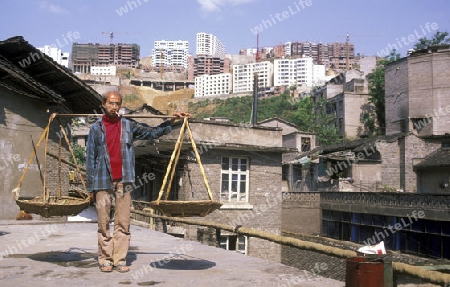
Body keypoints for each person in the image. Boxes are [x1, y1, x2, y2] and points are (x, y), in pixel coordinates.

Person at [85, 91, 189, 272]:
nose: (114, 107)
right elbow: (90, 159)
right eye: (110, 103)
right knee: (103, 223)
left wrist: (171, 121)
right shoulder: (96, 128)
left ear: (120, 106)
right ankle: (105, 258)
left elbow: (152, 132)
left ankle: (120, 258)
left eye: (117, 104)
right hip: (102, 181)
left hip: (124, 181)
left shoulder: (128, 125)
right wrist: (90, 187)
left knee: (123, 222)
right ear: (103, 104)